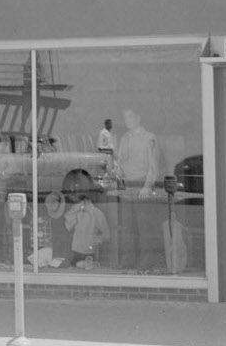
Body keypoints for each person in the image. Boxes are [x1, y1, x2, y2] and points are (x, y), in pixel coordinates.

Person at [115, 109, 160, 270]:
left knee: (144, 226)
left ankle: (146, 262)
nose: (127, 120)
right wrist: (118, 180)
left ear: (138, 118)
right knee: (127, 226)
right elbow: (120, 163)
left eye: (130, 117)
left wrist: (147, 187)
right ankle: (128, 261)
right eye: (125, 118)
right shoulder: (124, 138)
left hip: (142, 185)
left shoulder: (149, 138)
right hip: (127, 185)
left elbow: (153, 167)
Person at [62, 174, 109, 269]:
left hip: (90, 254)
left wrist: (94, 241)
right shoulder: (75, 210)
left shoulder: (97, 214)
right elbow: (67, 226)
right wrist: (76, 211)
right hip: (75, 253)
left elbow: (106, 236)